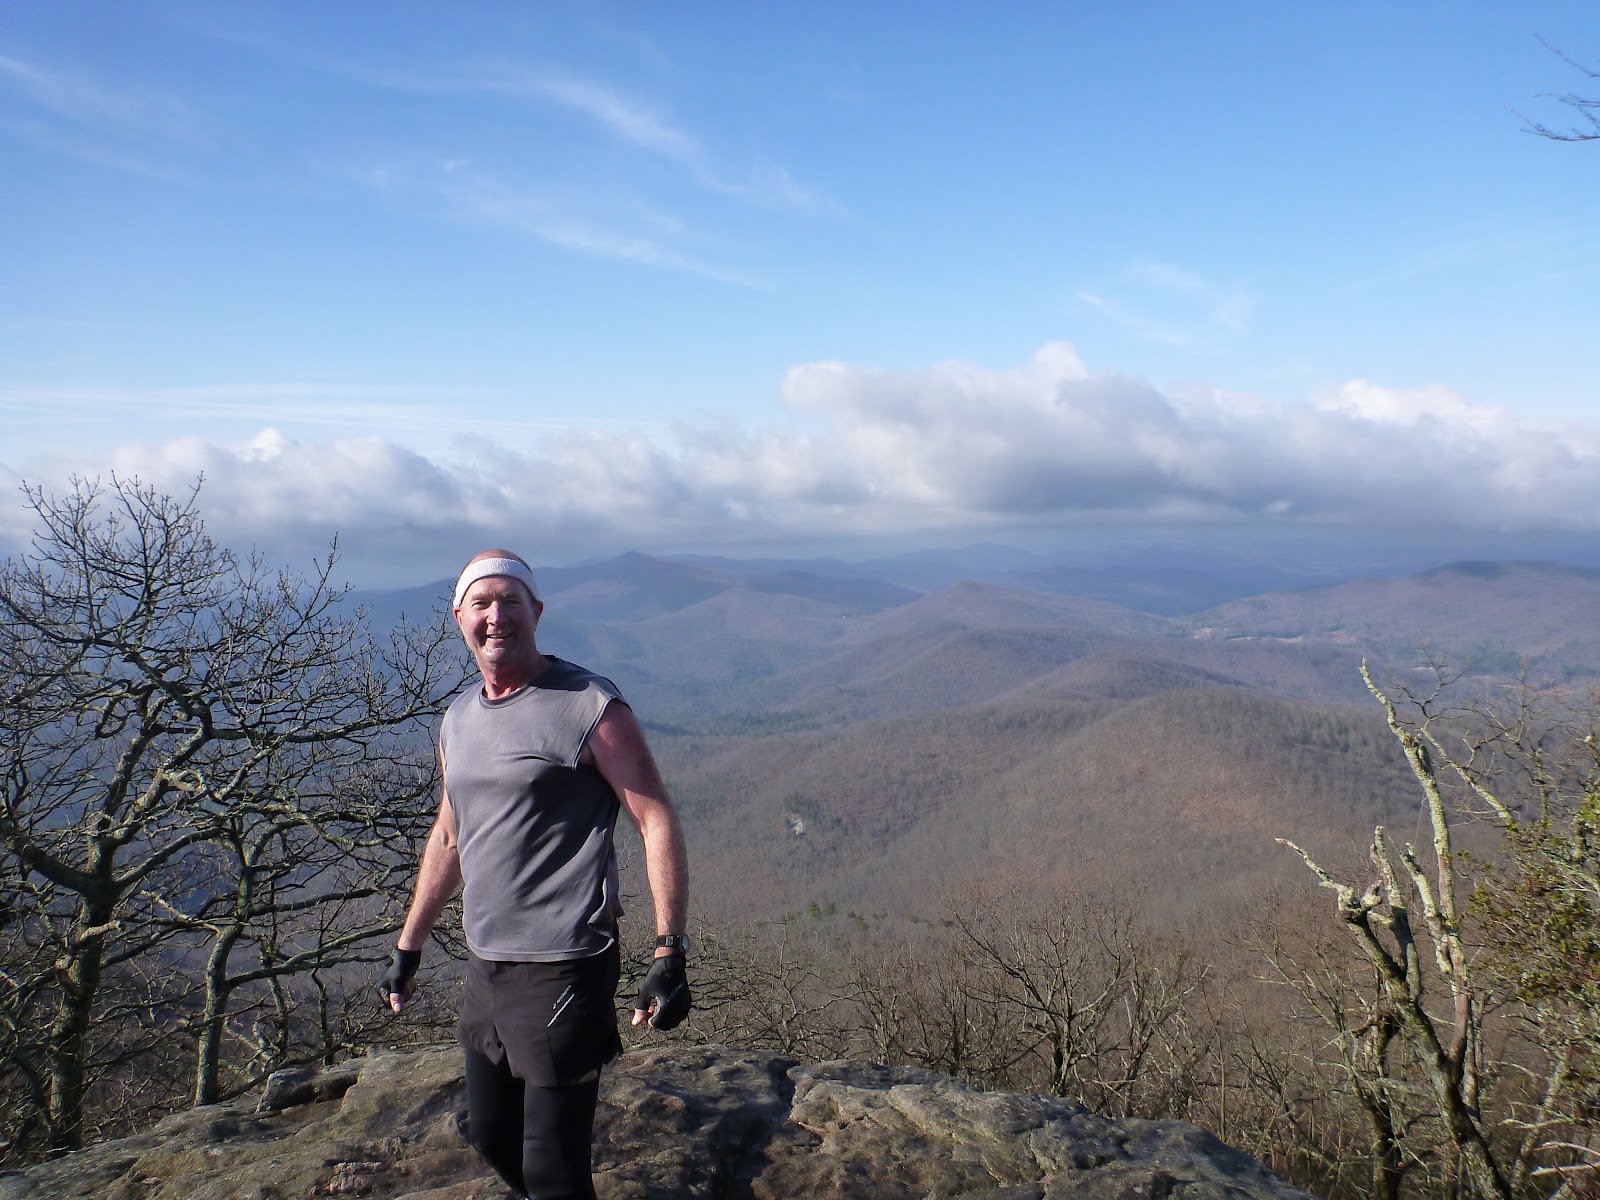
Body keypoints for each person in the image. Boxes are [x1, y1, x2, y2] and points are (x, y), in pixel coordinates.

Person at [382, 549, 691, 1200]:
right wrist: (408, 945)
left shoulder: (589, 706)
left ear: (537, 612)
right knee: (490, 1132)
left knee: (553, 1166)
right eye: (482, 604)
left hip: (565, 963)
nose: (496, 617)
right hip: (486, 961)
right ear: (458, 616)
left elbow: (654, 817)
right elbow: (449, 834)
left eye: (510, 602)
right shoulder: (459, 718)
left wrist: (670, 949)